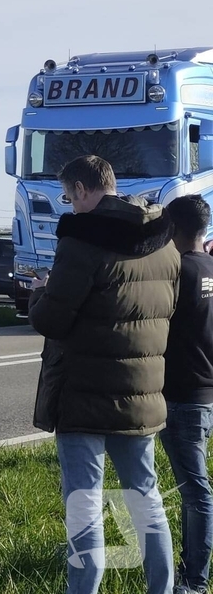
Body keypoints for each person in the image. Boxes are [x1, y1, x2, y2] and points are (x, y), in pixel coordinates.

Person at [28, 155, 179, 594]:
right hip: (143, 393)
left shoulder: (82, 241)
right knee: (145, 496)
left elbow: (53, 320)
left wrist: (39, 294)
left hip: (84, 394)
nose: (70, 206)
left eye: (68, 196)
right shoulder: (163, 241)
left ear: (81, 189)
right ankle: (162, 587)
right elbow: (171, 309)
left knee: (84, 503)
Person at [160, 194, 213, 594]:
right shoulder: (211, 267)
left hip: (181, 396)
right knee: (191, 488)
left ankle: (194, 580)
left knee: (195, 490)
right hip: (206, 394)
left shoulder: (176, 272)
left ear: (172, 228)